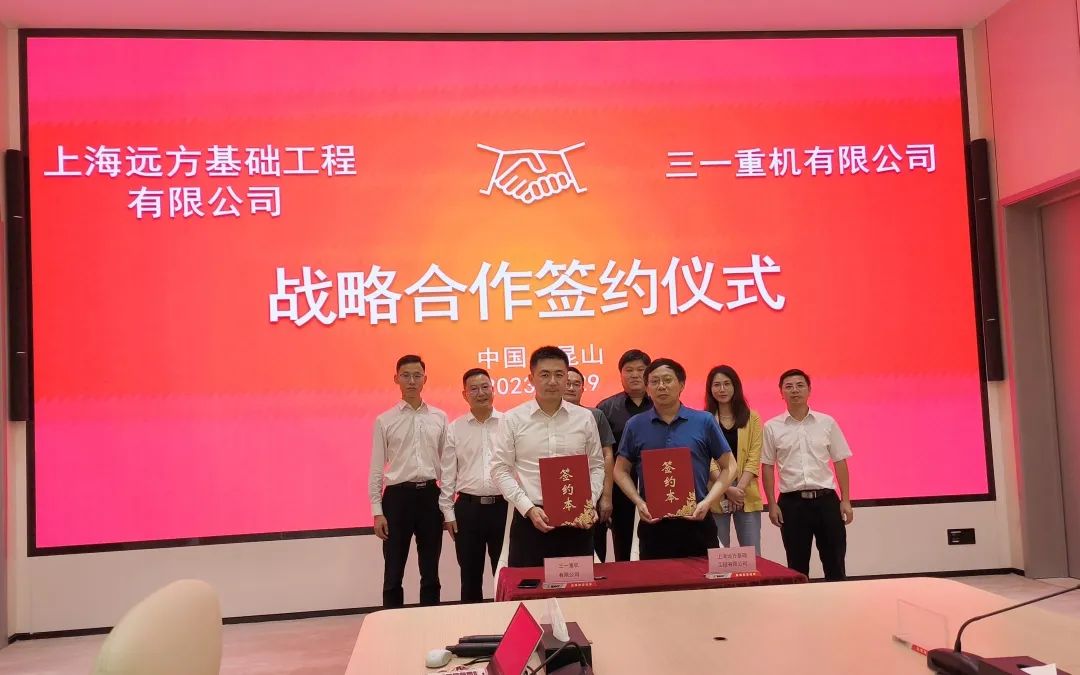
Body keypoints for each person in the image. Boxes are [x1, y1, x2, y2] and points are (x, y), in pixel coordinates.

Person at [491, 346, 605, 568]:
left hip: (577, 521)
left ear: (566, 377)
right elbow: (500, 469)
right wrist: (528, 508)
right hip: (531, 520)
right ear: (531, 379)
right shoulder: (513, 419)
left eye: (559, 374)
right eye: (545, 374)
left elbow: (596, 466)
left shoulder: (584, 418)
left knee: (578, 587)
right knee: (530, 586)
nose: (552, 381)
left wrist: (589, 502)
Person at [613, 358, 737, 559]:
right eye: (654, 381)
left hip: (697, 521)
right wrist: (638, 502)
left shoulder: (703, 421)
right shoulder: (635, 425)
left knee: (705, 579)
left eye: (667, 380)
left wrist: (708, 501)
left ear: (681, 384)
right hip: (653, 524)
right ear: (647, 388)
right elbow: (620, 470)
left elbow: (729, 466)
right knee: (656, 579)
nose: (661, 386)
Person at [368, 355, 449, 608]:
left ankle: (430, 620)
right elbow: (376, 468)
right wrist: (377, 511)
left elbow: (448, 465)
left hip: (430, 497)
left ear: (425, 379)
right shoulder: (385, 420)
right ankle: (392, 622)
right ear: (396, 379)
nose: (411, 381)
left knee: (431, 572)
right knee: (393, 572)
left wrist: (448, 506)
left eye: (417, 375)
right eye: (406, 375)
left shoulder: (439, 417)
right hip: (397, 499)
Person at [761, 369, 854, 581]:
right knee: (797, 567)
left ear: (809, 390)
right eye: (789, 386)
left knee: (835, 563)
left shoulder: (827, 422)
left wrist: (846, 500)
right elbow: (767, 466)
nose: (795, 390)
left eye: (800, 385)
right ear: (781, 393)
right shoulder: (771, 427)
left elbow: (840, 461)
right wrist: (772, 504)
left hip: (827, 501)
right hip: (792, 504)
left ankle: (838, 601)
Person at [439, 368, 507, 603]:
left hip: (504, 508)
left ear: (493, 390)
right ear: (465, 394)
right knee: (470, 576)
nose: (481, 393)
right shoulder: (455, 428)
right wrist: (448, 512)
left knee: (506, 574)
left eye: (485, 387)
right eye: (474, 389)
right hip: (468, 510)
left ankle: (507, 619)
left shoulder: (509, 423)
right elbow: (448, 475)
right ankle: (472, 621)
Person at [596, 349, 653, 561]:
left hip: (658, 485)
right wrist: (605, 495)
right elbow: (601, 455)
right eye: (629, 370)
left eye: (640, 370)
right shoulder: (606, 408)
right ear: (620, 375)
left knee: (657, 544)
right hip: (620, 489)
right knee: (623, 545)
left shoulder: (661, 404)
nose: (635, 375)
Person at [704, 365, 764, 554]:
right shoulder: (703, 419)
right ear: (710, 389)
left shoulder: (752, 417)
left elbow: (754, 457)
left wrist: (738, 490)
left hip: (745, 491)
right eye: (717, 385)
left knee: (753, 554)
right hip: (715, 491)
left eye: (727, 384)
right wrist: (726, 488)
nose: (722, 389)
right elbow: (706, 459)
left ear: (735, 386)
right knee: (717, 554)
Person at [563, 366, 617, 559]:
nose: (571, 388)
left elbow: (607, 455)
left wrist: (606, 496)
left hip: (591, 493)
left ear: (583, 389)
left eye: (576, 384)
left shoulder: (595, 415)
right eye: (567, 383)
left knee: (594, 551)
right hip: (558, 494)